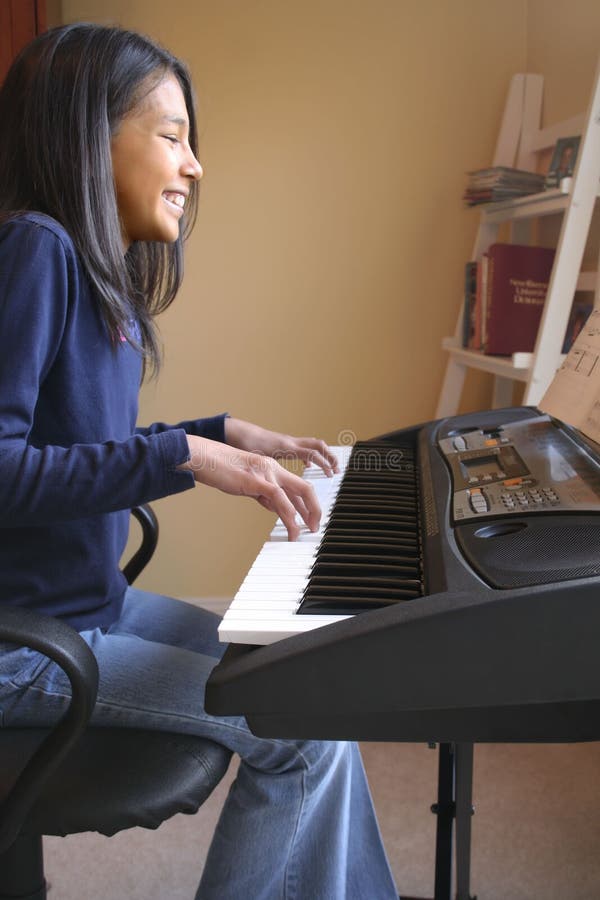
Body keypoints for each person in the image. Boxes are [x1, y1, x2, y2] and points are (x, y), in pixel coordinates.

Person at [0, 23, 399, 900]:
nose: (195, 166)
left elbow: (74, 448)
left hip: (84, 610)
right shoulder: (37, 248)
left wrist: (223, 432)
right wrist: (184, 454)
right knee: (303, 732)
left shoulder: (91, 278)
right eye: (171, 135)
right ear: (82, 133)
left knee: (311, 686)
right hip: (22, 646)